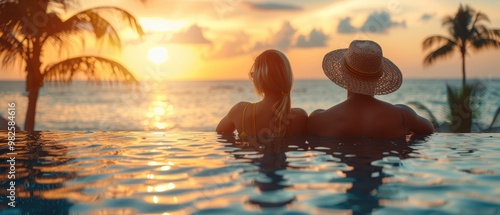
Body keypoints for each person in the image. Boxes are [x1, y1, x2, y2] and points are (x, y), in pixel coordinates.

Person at [307, 40, 434, 138]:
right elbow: (429, 129)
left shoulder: (319, 119)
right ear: (379, 77)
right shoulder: (403, 116)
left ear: (343, 74)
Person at [216, 49, 308, 139]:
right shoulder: (300, 116)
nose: (252, 76)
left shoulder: (240, 111)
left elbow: (219, 134)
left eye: (253, 74)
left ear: (260, 78)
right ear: (287, 76)